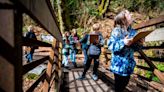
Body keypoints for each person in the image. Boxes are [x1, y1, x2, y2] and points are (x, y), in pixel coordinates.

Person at [107, 10, 143, 92]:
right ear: (124, 19)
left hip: (128, 65)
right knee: (118, 86)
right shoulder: (117, 31)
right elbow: (110, 45)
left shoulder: (133, 31)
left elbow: (136, 49)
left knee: (125, 83)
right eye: (129, 14)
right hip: (118, 66)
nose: (132, 14)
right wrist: (123, 42)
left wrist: (140, 44)